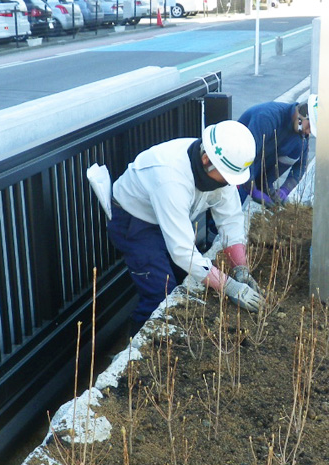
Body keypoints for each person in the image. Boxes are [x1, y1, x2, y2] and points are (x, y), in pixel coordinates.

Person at [107, 120, 263, 333]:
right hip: (134, 220)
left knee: (183, 278)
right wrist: (229, 286)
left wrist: (240, 268)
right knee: (160, 291)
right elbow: (182, 252)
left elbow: (230, 219)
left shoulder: (220, 170)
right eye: (227, 177)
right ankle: (138, 346)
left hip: (167, 214)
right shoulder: (171, 177)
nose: (229, 183)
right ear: (207, 159)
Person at [236, 94, 318, 206]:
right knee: (231, 206)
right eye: (309, 126)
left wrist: (285, 190)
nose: (308, 132)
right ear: (302, 114)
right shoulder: (267, 117)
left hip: (258, 166)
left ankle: (263, 184)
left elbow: (300, 167)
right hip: (237, 165)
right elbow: (246, 154)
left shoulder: (301, 135)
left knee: (297, 147)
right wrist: (252, 189)